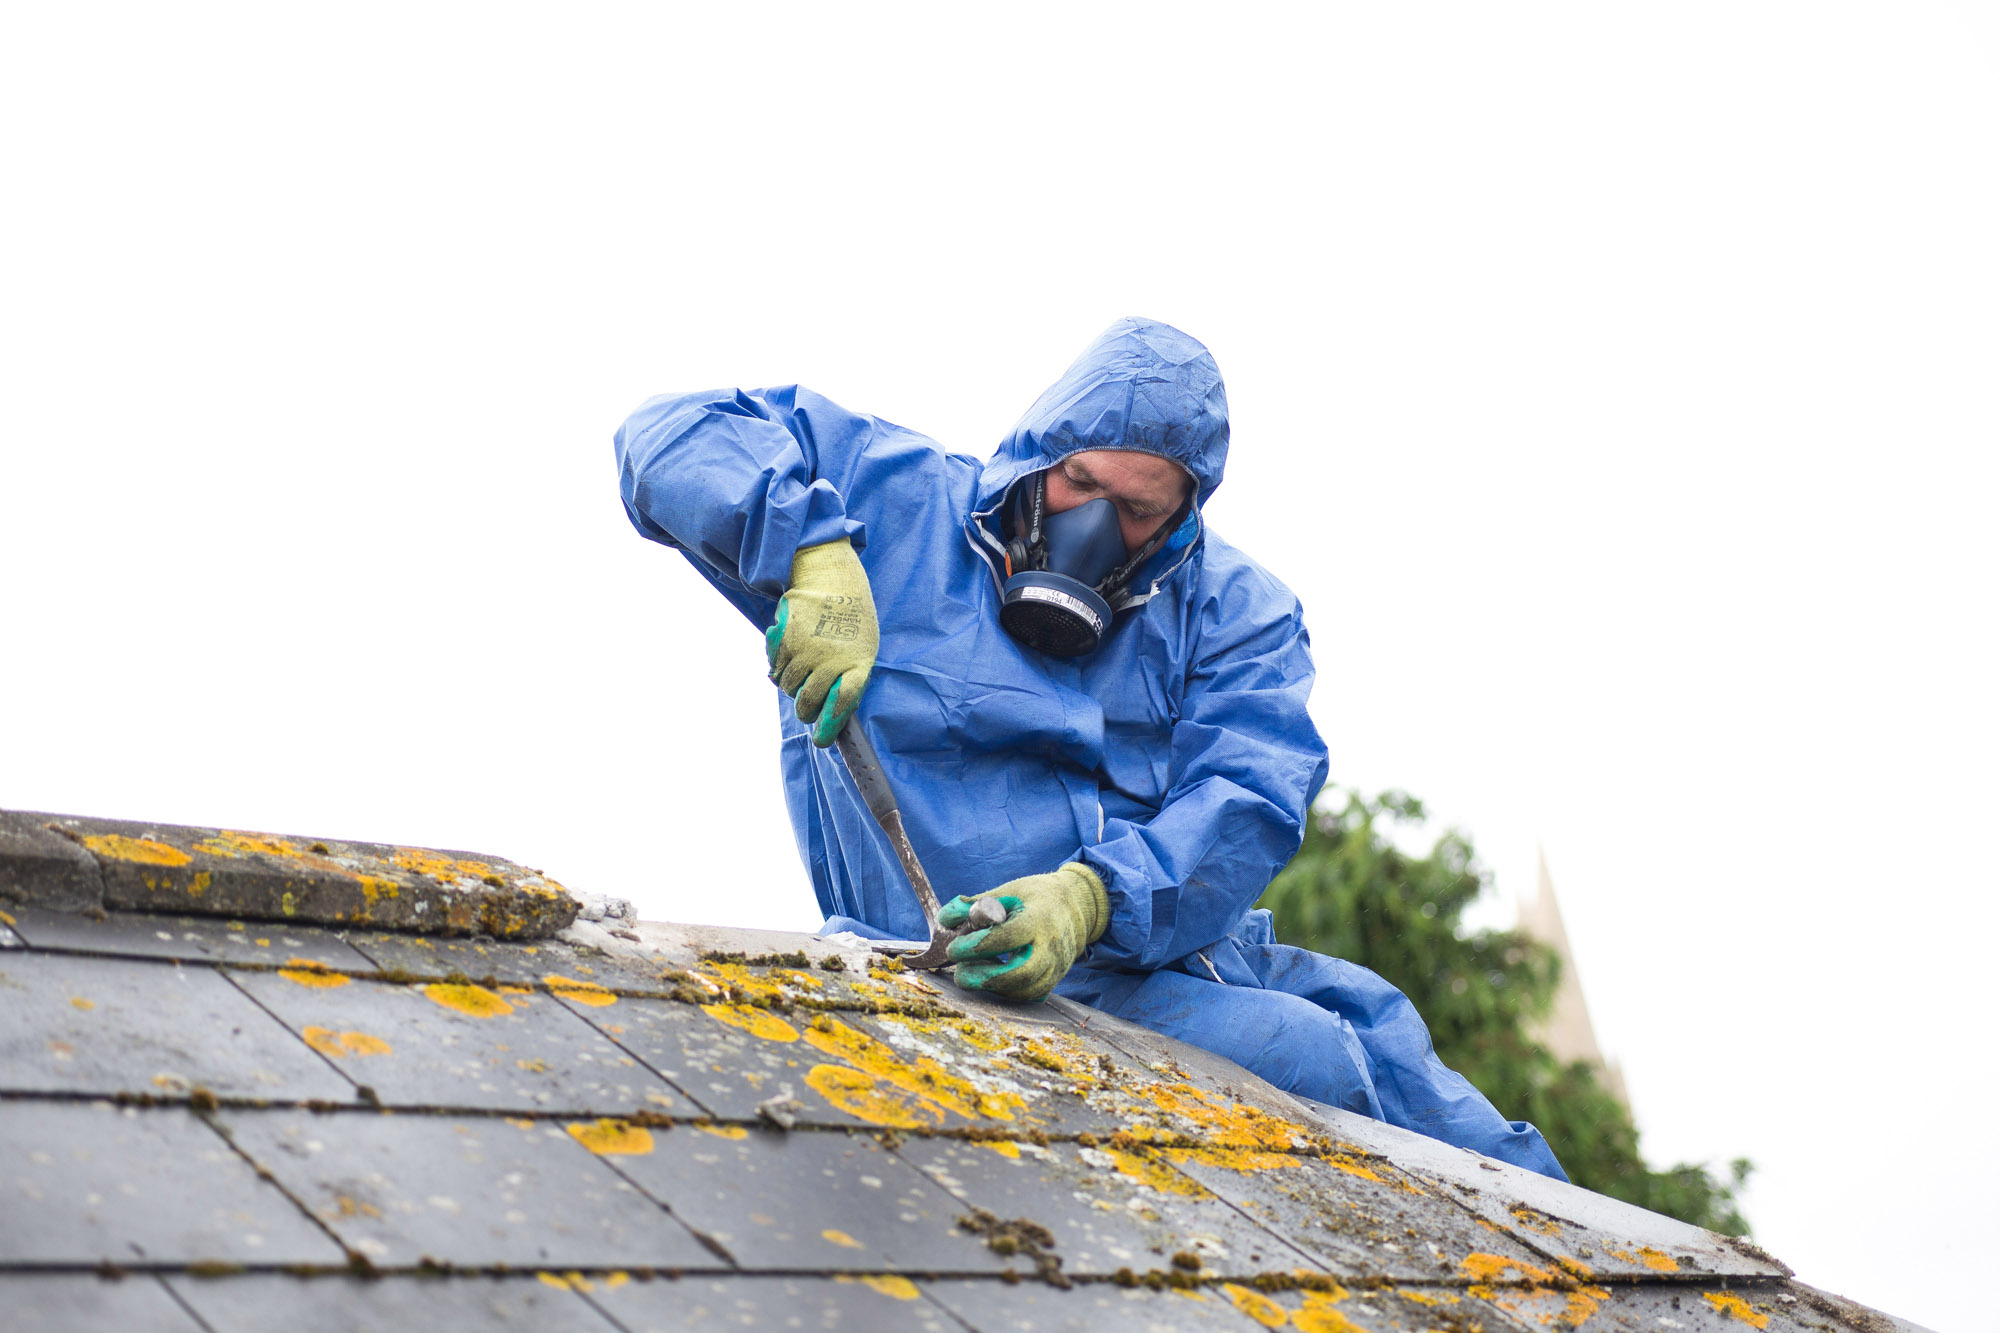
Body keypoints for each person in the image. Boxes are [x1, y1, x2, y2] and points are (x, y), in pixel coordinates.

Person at [615, 318, 1566, 1179]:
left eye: (1138, 511)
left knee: (1406, 1093)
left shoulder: (1239, 612)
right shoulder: (892, 497)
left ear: (1185, 514)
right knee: (1307, 1062)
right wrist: (808, 549)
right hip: (933, 961)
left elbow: (1252, 792)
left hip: (1156, 971)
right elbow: (668, 433)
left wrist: (1093, 898)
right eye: (1079, 482)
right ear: (1042, 445)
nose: (1092, 524)